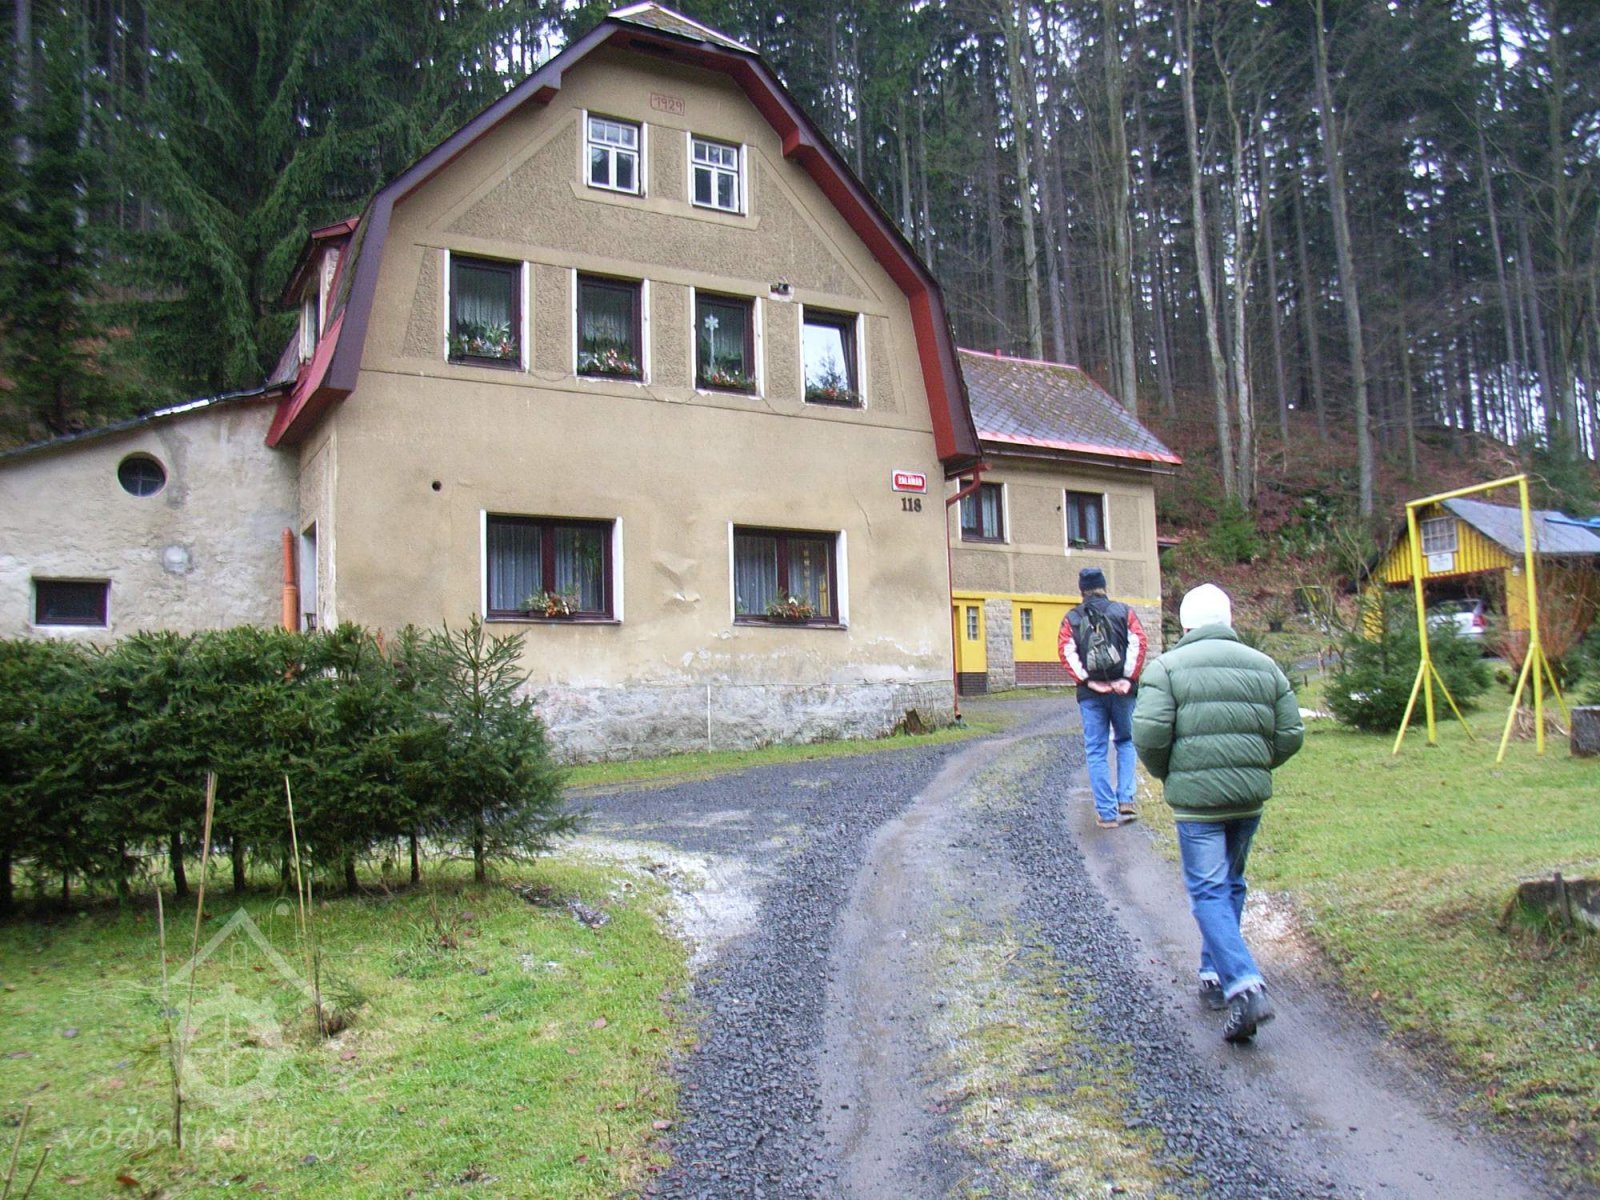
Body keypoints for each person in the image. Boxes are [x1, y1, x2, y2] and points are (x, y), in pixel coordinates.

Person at [1131, 583, 1304, 1044]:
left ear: (1185, 625)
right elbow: (1290, 733)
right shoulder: (1265, 666)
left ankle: (1244, 986)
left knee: (1208, 890)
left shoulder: (1166, 669)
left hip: (1197, 805)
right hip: (1247, 801)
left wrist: (1170, 774)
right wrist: (1255, 765)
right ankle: (1212, 973)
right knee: (1231, 883)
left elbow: (1149, 736)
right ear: (1228, 620)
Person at [1057, 566, 1147, 829]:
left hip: (1091, 694)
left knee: (1096, 750)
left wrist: (1088, 680)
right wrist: (1127, 678)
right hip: (1123, 692)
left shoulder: (1072, 618)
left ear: (1081, 590)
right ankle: (1126, 799)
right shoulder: (1124, 612)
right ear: (1104, 586)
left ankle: (1106, 814)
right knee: (1126, 742)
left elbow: (1066, 651)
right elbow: (1139, 642)